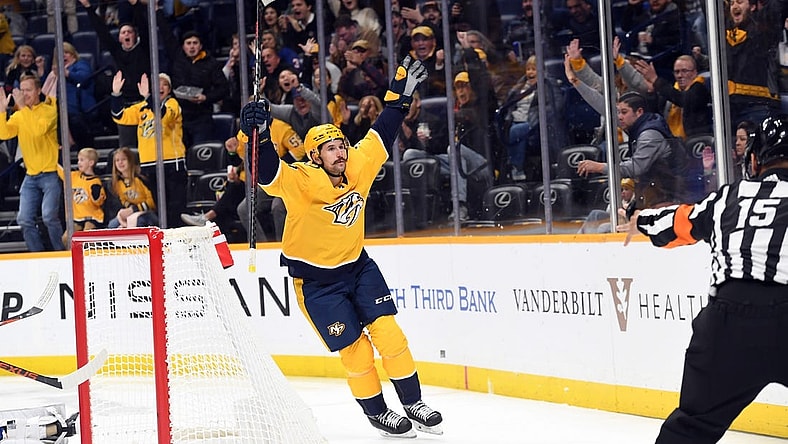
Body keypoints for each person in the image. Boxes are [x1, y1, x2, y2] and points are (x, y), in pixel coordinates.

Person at [240, 55, 442, 438]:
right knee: (358, 353)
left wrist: (401, 93)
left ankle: (413, 401)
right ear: (315, 156)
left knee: (390, 336)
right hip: (316, 284)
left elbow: (383, 130)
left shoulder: (358, 165)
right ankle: (378, 413)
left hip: (357, 266)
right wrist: (260, 136)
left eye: (341, 146)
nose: (340, 153)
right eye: (330, 149)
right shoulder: (301, 180)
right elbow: (267, 172)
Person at [618, 114, 788, 444]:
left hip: (727, 323)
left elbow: (678, 221)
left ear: (754, 159)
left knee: (691, 427)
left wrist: (640, 220)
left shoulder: (727, 197)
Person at [576, 91, 688, 211]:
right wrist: (576, 82)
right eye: (618, 112)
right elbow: (605, 109)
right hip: (654, 196)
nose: (619, 117)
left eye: (624, 112)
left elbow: (636, 167)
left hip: (669, 198)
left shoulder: (649, 135)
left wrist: (599, 167)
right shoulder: (640, 125)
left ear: (639, 112)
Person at [111, 71, 187, 229]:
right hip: (149, 165)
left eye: (164, 84)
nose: (160, 87)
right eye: (156, 84)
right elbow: (119, 116)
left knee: (174, 208)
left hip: (172, 163)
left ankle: (178, 242)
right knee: (159, 208)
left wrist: (148, 98)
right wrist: (116, 94)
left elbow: (162, 115)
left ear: (169, 89)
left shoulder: (172, 104)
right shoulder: (142, 108)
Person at [0, 74, 64, 251]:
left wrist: (21, 107)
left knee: (49, 216)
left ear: (38, 91)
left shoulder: (49, 110)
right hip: (31, 175)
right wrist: (2, 112)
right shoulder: (21, 114)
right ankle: (38, 255)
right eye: (22, 90)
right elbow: (4, 134)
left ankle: (61, 252)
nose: (24, 93)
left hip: (50, 172)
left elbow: (37, 131)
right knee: (24, 219)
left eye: (28, 90)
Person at [79, 0, 152, 147]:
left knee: (148, 145)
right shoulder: (117, 52)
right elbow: (102, 32)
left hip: (145, 103)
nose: (126, 34)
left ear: (135, 36)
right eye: (123, 32)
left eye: (129, 32)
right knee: (128, 148)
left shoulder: (143, 49)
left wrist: (135, 4)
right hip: (126, 107)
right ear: (119, 38)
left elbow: (144, 26)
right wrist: (88, 8)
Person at [159, 24, 228, 149]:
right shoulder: (177, 58)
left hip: (202, 118)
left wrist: (205, 97)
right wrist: (157, 11)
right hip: (178, 117)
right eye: (188, 43)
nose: (192, 46)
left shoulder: (211, 63)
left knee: (199, 152)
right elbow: (167, 35)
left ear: (201, 46)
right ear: (183, 46)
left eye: (195, 43)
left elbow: (223, 89)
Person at [631, 54, 712, 139]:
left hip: (696, 142)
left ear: (694, 72)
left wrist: (656, 80)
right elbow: (656, 113)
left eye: (684, 71)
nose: (680, 75)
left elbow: (683, 100)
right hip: (672, 142)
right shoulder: (671, 91)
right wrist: (651, 93)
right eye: (677, 72)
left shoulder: (700, 88)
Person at [58, 147, 106, 246]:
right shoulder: (74, 176)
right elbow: (61, 172)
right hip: (78, 217)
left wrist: (96, 195)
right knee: (66, 238)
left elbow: (99, 202)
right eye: (79, 160)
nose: (79, 162)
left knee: (87, 233)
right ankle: (71, 258)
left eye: (82, 160)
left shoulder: (95, 182)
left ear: (91, 163)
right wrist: (53, 157)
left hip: (93, 217)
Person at [105, 146, 157, 228]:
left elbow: (152, 202)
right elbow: (123, 200)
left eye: (123, 159)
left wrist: (133, 209)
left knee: (139, 222)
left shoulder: (141, 180)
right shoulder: (118, 183)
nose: (120, 163)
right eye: (117, 160)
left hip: (148, 213)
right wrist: (128, 210)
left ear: (130, 161)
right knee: (112, 225)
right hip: (132, 212)